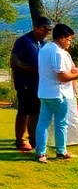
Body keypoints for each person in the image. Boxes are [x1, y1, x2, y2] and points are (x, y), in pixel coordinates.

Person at [34, 23, 78, 163]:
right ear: (62, 38)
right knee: (61, 123)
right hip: (58, 93)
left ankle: (41, 152)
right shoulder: (58, 52)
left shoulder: (44, 48)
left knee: (42, 123)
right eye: (69, 40)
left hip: (44, 92)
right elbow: (61, 76)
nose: (69, 43)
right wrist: (76, 75)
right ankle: (61, 151)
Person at [10, 17, 53, 152]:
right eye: (44, 29)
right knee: (24, 111)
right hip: (25, 83)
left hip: (38, 84)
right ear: (36, 26)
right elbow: (14, 62)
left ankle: (33, 138)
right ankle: (20, 140)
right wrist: (32, 70)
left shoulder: (43, 43)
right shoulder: (24, 41)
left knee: (36, 111)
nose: (46, 32)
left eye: (49, 30)